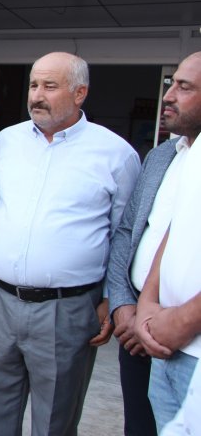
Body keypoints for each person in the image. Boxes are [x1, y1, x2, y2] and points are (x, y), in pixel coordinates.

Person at [0, 52, 141, 435]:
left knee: (55, 423)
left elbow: (124, 236)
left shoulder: (116, 154)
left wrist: (112, 299)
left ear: (80, 93)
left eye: (50, 86)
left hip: (67, 310)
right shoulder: (7, 141)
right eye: (34, 85)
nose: (36, 95)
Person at [107, 52, 201, 435]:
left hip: (187, 341)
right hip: (137, 334)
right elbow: (129, 233)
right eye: (170, 84)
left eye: (184, 87)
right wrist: (126, 307)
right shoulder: (163, 156)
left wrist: (176, 322)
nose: (169, 96)